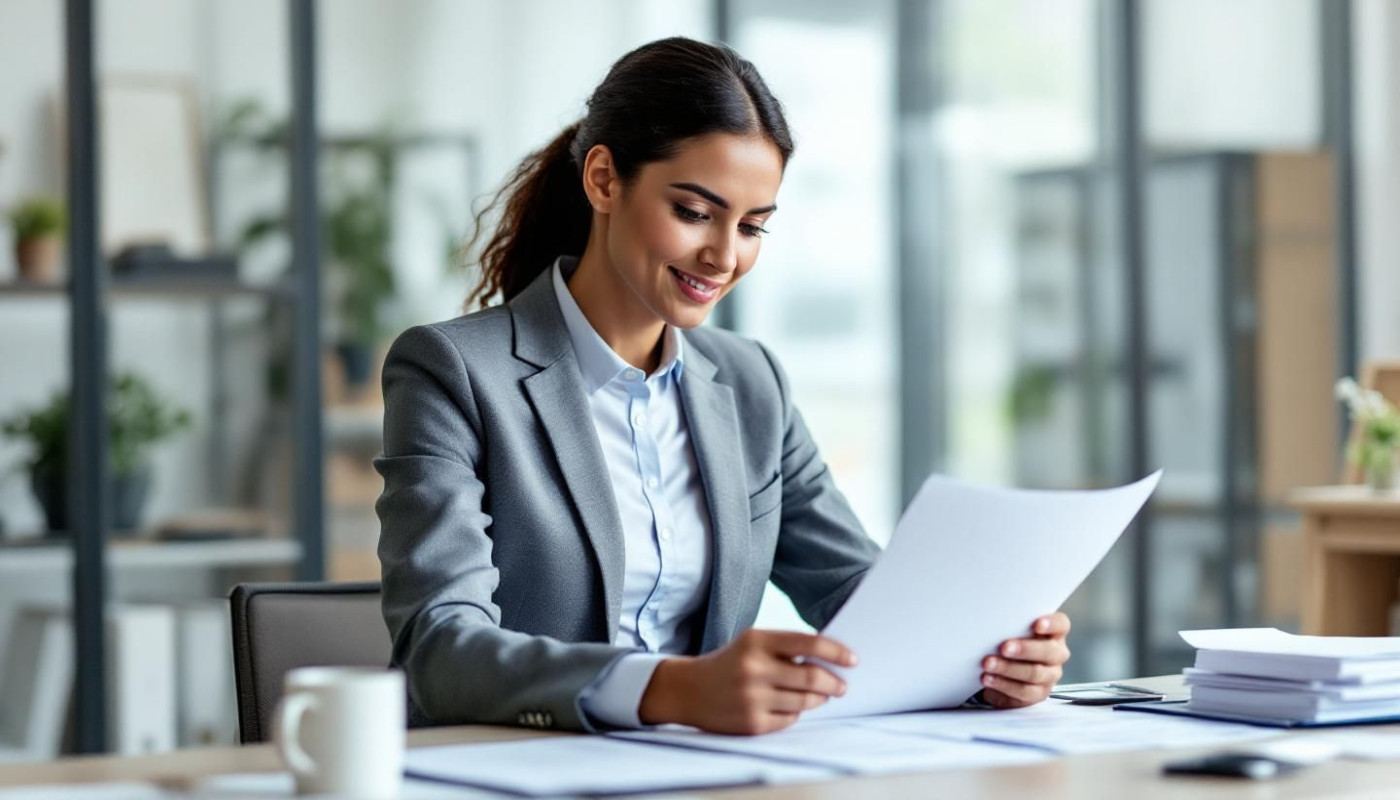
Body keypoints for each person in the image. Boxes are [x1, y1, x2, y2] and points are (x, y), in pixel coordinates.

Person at [375, 36, 1070, 736]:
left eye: (753, 226)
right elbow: (440, 647)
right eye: (694, 212)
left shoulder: (750, 383)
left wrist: (988, 663)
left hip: (711, 773)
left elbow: (861, 600)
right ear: (604, 180)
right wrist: (672, 690)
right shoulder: (454, 371)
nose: (725, 255)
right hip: (513, 769)